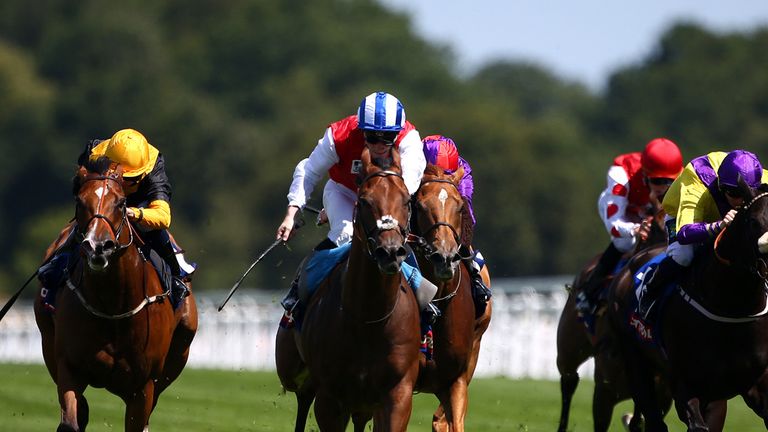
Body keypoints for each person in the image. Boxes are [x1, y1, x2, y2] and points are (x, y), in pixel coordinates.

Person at [276, 91, 431, 324]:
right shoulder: (338, 135)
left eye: (387, 137)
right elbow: (308, 171)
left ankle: (423, 302)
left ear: (397, 132)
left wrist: (373, 207)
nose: (379, 144)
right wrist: (291, 213)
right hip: (342, 191)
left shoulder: (409, 139)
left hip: (388, 199)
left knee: (390, 242)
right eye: (371, 136)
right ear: (360, 129)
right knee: (346, 235)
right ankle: (299, 295)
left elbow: (407, 184)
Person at [38, 129, 192, 310]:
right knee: (79, 232)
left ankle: (177, 276)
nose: (123, 183)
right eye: (121, 177)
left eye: (131, 179)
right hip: (102, 206)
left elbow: (163, 217)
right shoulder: (94, 152)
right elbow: (80, 189)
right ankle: (54, 276)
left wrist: (134, 213)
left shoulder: (154, 167)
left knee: (158, 234)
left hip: (137, 208)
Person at [637, 149, 768, 318]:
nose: (742, 201)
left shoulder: (763, 182)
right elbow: (684, 234)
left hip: (729, 214)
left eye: (749, 194)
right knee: (683, 256)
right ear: (721, 187)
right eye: (734, 194)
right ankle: (650, 289)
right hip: (681, 215)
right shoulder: (697, 183)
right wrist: (719, 225)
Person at [575, 138, 683, 318]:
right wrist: (635, 229)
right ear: (645, 175)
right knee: (624, 242)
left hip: (646, 208)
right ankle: (588, 292)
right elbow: (615, 226)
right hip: (622, 210)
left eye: (670, 181)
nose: (665, 187)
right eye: (658, 181)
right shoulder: (620, 175)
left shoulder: (678, 177)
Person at [421, 134, 491, 312]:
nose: (441, 177)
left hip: (456, 201)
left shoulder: (463, 171)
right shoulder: (412, 167)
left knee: (462, 219)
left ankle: (475, 277)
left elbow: (467, 218)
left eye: (446, 174)